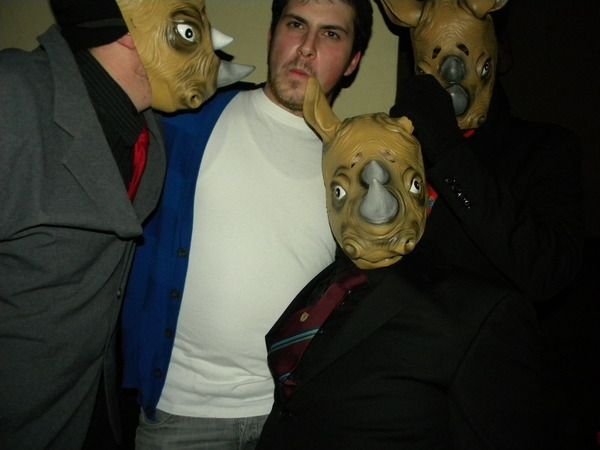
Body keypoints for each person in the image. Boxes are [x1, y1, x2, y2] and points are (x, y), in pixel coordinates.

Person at [121, 0, 373, 448]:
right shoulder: (186, 121)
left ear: (353, 61)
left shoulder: (359, 164)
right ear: (273, 34)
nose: (307, 47)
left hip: (295, 420)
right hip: (181, 417)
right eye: (296, 25)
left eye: (331, 34)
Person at [0, 0, 248, 448]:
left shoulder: (149, 137)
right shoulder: (13, 96)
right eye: (188, 28)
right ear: (133, 28)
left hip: (91, 413)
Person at [256, 76, 546, 450]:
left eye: (409, 184)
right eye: (342, 190)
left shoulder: (478, 316)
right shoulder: (324, 286)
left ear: (427, 194)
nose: (377, 206)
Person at [378, 0, 583, 303]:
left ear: (497, 54)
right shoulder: (398, 144)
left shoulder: (546, 150)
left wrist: (449, 153)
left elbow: (549, 271)